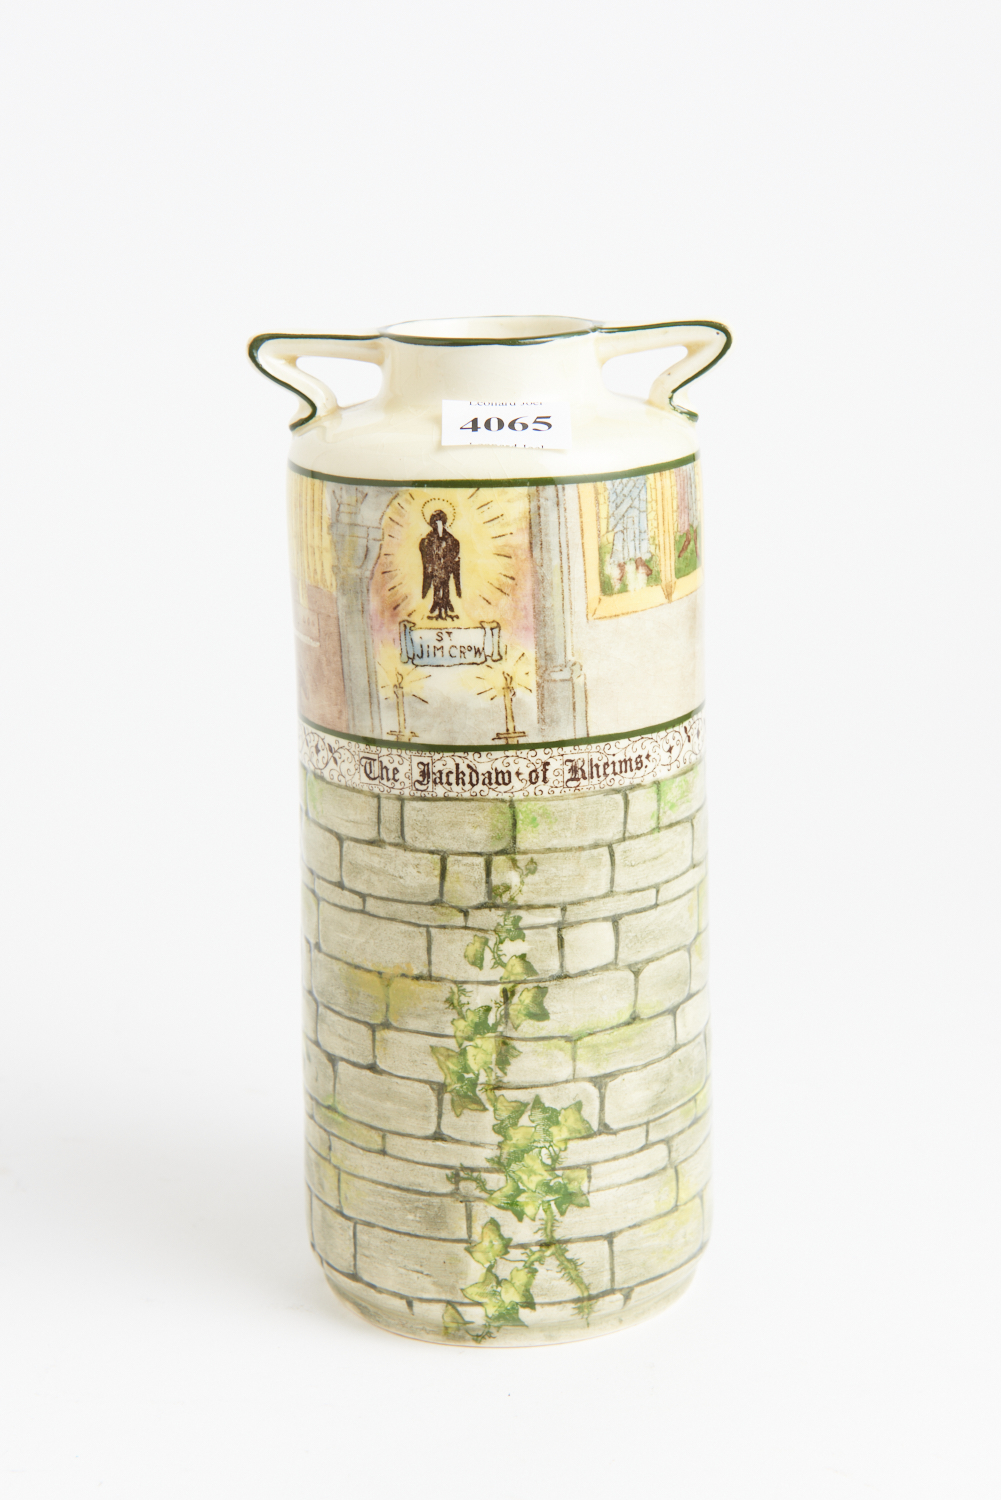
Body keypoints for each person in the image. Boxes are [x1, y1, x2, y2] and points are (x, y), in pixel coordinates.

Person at [419, 510, 461, 620]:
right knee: (437, 587)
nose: (438, 525)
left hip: (446, 570)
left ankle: (445, 609)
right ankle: (437, 607)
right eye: (436, 522)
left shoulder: (450, 539)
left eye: (440, 522)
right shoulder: (428, 540)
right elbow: (427, 556)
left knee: (445, 587)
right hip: (435, 570)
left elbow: (455, 552)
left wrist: (449, 562)